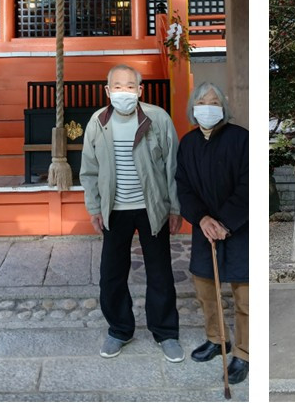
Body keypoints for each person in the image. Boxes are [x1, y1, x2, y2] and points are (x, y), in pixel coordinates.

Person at [80, 64, 183, 362]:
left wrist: (174, 207)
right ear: (107, 90)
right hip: (115, 209)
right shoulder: (97, 122)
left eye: (129, 86)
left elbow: (173, 167)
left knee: (161, 272)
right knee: (111, 274)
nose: (123, 91)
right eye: (117, 86)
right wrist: (94, 207)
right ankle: (119, 330)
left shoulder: (158, 118)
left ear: (140, 90)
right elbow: (89, 169)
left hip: (152, 208)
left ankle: (165, 332)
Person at [174, 82, 249, 385]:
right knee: (206, 288)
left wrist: (226, 222)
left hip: (240, 228)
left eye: (214, 101)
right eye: (202, 101)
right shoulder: (188, 143)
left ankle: (244, 352)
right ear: (194, 107)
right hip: (204, 229)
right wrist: (202, 219)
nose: (208, 105)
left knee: (245, 296)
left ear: (223, 107)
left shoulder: (241, 139)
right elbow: (184, 186)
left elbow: (248, 185)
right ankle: (217, 338)